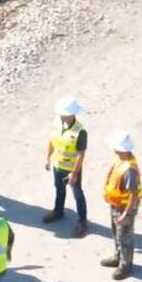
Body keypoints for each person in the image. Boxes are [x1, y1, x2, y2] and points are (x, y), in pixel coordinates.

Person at [42, 95, 88, 237]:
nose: (62, 116)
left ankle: (82, 221)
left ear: (72, 114)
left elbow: (81, 154)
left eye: (64, 114)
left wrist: (74, 173)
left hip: (71, 169)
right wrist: (48, 158)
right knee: (59, 189)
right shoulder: (57, 123)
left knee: (77, 194)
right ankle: (58, 211)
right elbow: (51, 140)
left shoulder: (80, 132)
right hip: (58, 165)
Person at [101, 130, 142, 280]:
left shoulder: (129, 169)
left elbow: (133, 194)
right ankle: (118, 256)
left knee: (124, 235)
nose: (114, 150)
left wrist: (126, 213)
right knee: (116, 232)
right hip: (116, 204)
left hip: (125, 208)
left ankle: (126, 265)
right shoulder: (120, 160)